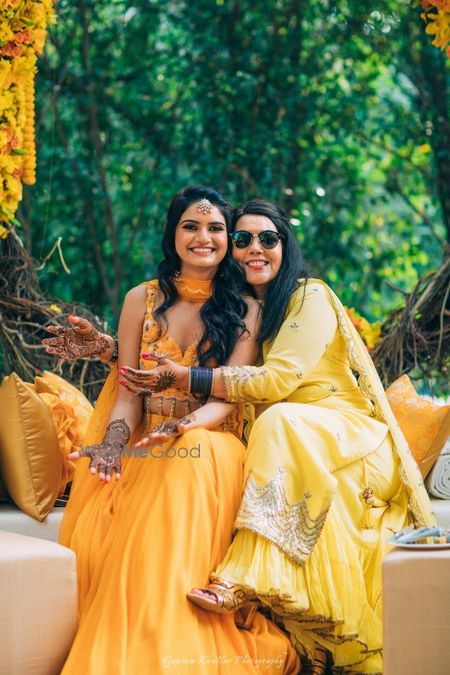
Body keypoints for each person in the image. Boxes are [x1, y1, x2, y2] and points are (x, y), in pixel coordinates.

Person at [119, 199, 435, 674]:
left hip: (346, 436)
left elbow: (276, 380)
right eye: (242, 239)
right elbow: (160, 356)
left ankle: (241, 577)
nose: (254, 249)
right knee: (262, 435)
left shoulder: (310, 296)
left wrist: (190, 379)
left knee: (280, 417)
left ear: (285, 245)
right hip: (288, 446)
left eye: (268, 238)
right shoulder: (238, 311)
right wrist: (115, 353)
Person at [46, 187, 299, 674]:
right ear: (172, 233)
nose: (202, 237)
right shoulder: (140, 299)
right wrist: (113, 445)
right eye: (190, 226)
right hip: (147, 443)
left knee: (194, 447)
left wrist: (181, 426)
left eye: (215, 229)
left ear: (227, 240)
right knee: (107, 508)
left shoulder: (247, 308)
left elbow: (225, 401)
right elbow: (127, 394)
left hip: (211, 445)